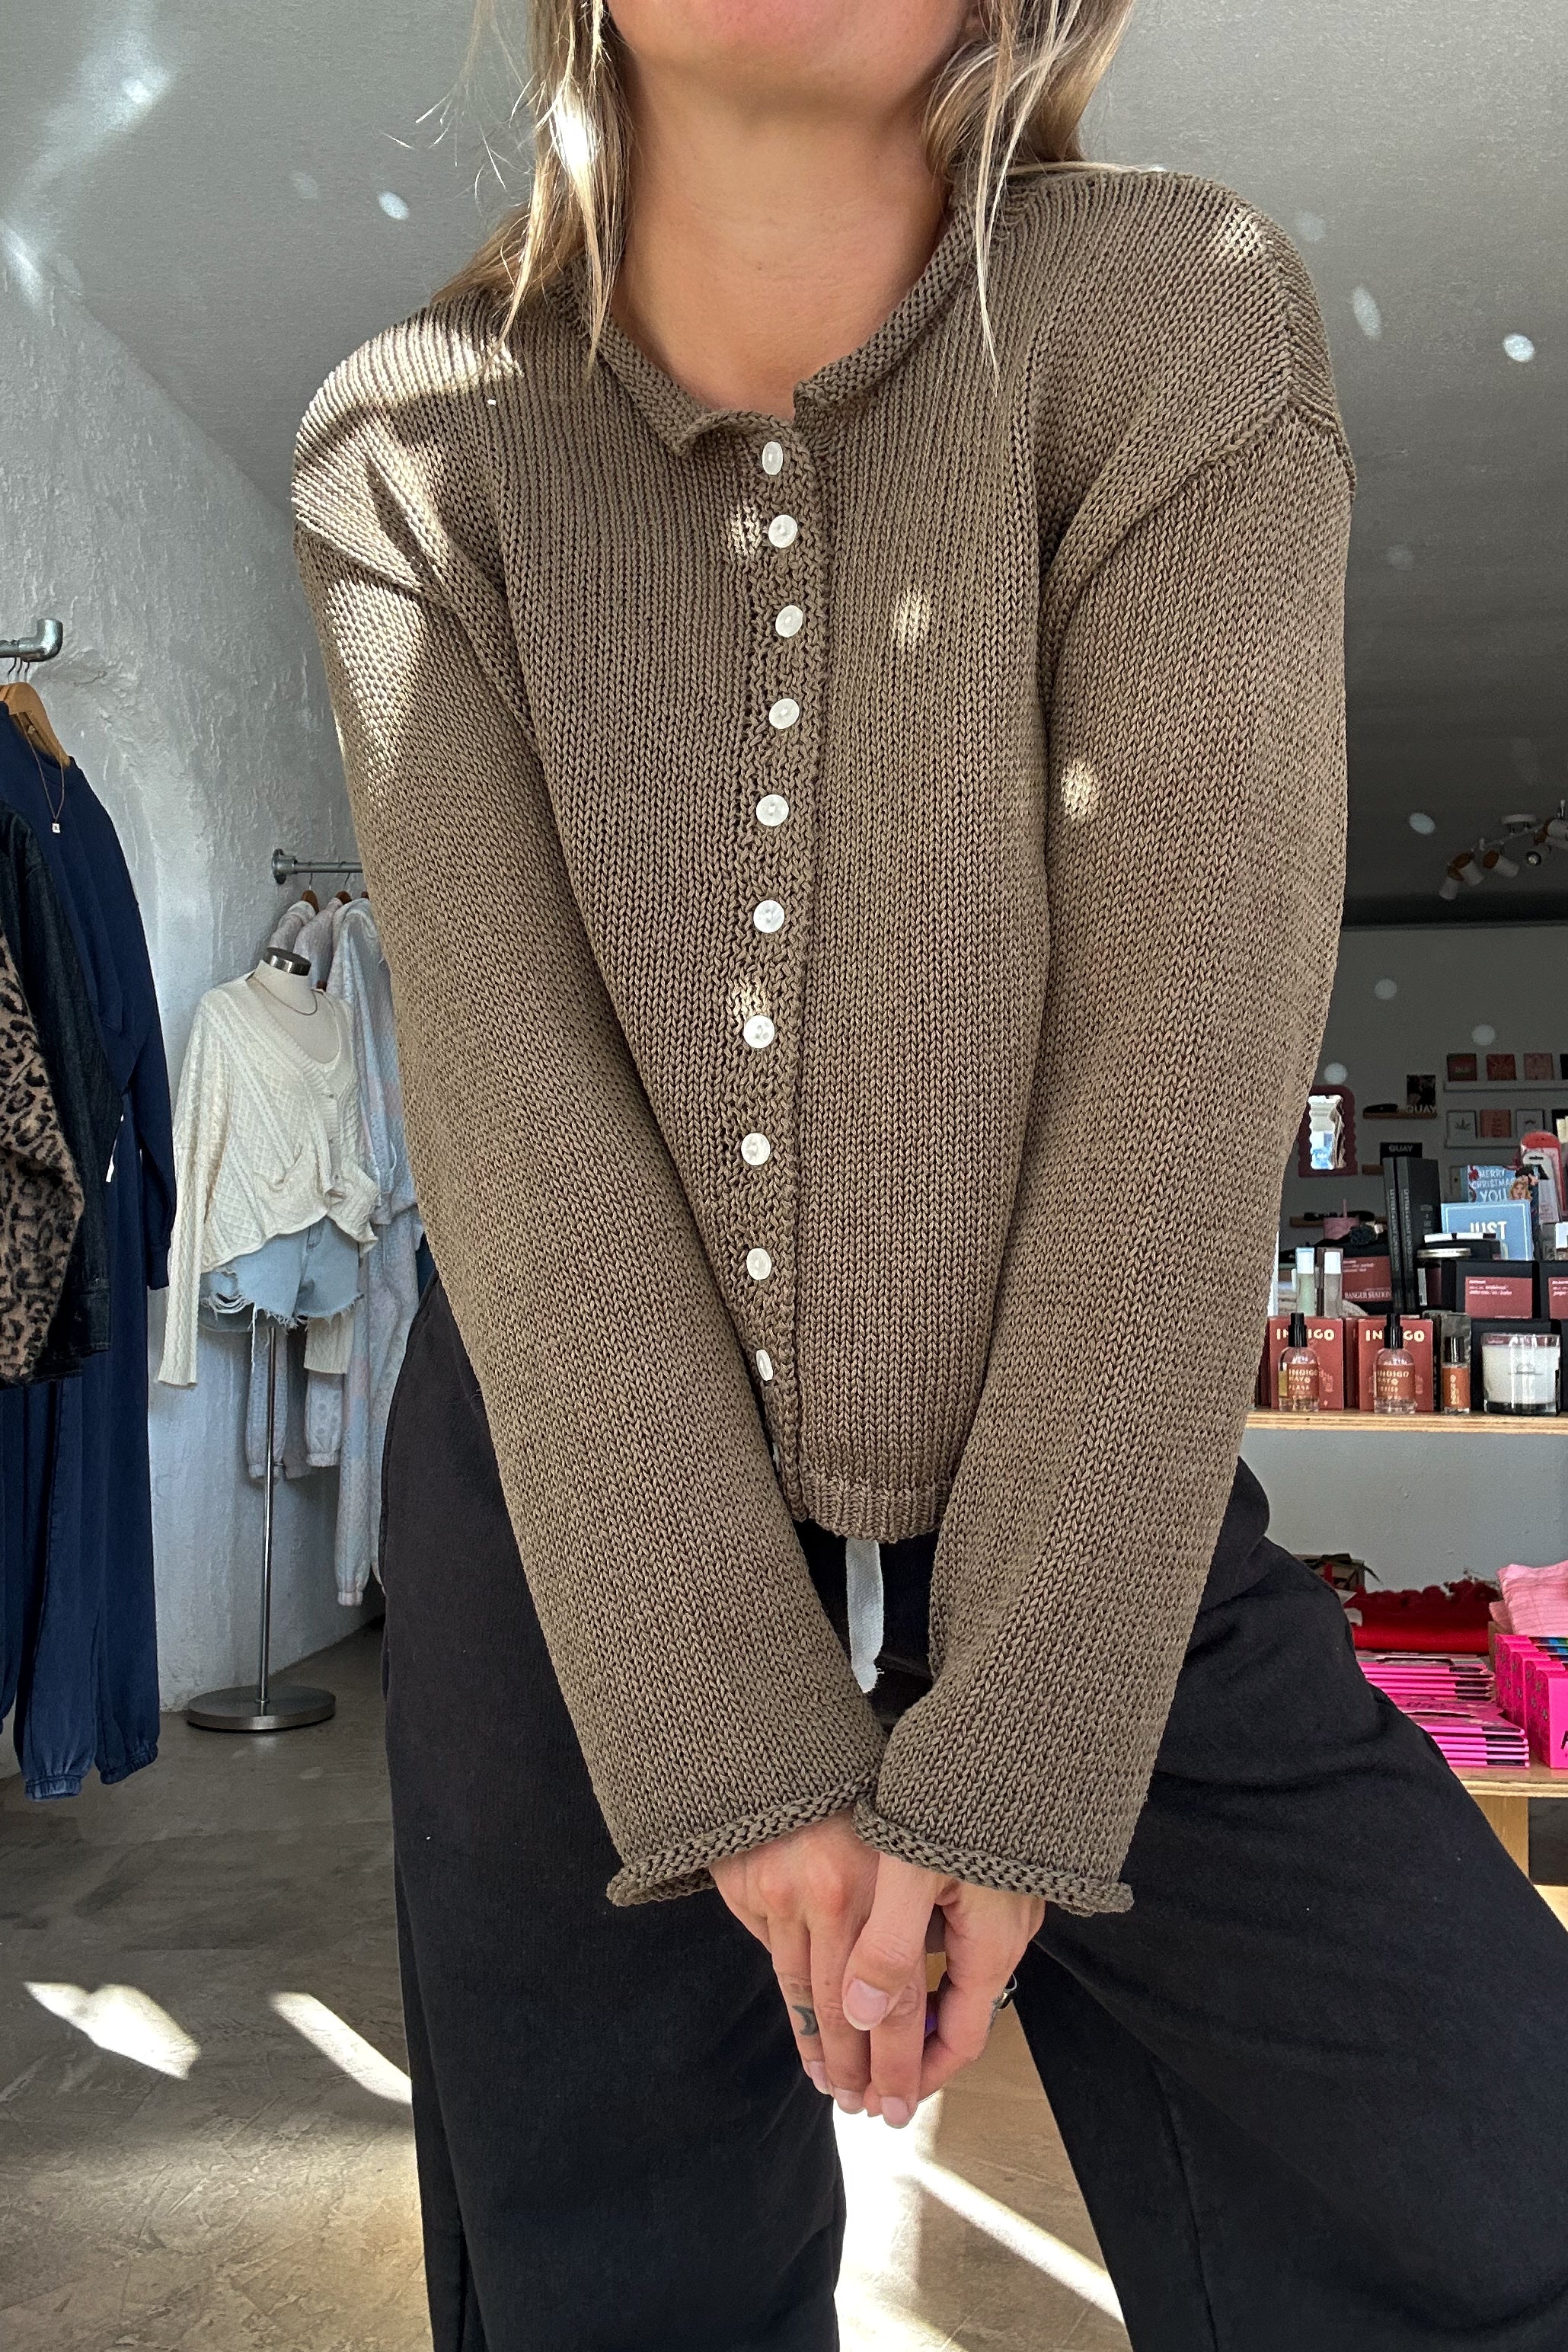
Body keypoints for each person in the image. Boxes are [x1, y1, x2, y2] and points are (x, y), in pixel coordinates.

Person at [292, 3, 1568, 2345]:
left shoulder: (1162, 308)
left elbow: (1187, 1024)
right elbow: (505, 1093)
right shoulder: (404, 441)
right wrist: (724, 1734)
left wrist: (1022, 1748)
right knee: (604, 2280)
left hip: (1080, 1475)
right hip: (573, 1503)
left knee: (1488, 2168)